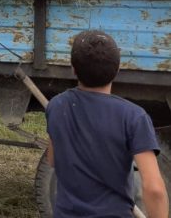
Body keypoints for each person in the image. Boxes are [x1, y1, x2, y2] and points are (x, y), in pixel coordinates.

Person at [46, 31, 168, 218]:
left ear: (73, 69)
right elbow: (154, 189)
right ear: (118, 69)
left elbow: (53, 160)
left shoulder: (57, 105)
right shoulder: (134, 117)